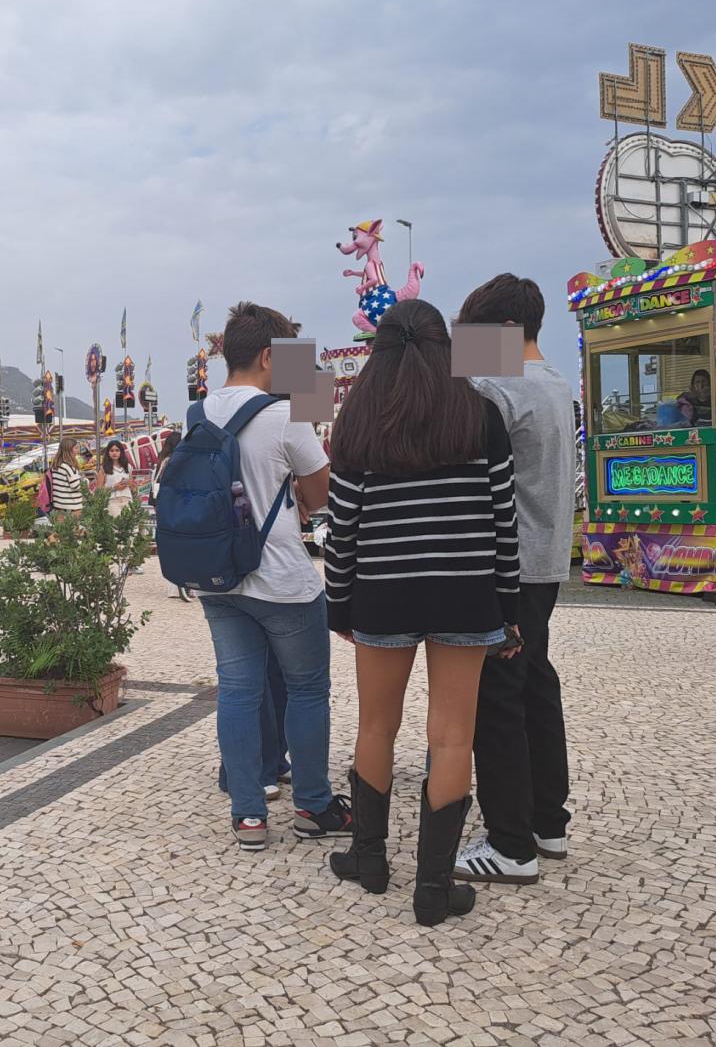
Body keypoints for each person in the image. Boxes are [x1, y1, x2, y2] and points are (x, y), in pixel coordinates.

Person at [324, 298, 521, 927]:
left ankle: (369, 860)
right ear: (447, 348)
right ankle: (434, 890)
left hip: (383, 593)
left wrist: (338, 603)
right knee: (451, 735)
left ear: (379, 353)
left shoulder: (358, 419)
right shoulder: (481, 415)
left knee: (376, 726)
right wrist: (509, 607)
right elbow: (502, 522)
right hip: (466, 591)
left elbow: (343, 527)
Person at [198, 301, 349, 854]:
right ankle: (313, 804)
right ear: (268, 356)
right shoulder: (285, 416)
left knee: (237, 692)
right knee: (307, 690)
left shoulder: (198, 413)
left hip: (220, 580)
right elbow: (320, 494)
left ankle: (249, 818)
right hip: (283, 579)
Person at [452, 274, 576, 886]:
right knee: (534, 686)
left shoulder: (496, 389)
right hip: (548, 563)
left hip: (506, 567)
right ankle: (548, 823)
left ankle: (509, 845)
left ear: (501, 334)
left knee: (496, 699)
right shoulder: (558, 385)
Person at [152, 432, 195, 602]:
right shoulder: (183, 460)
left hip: (167, 507)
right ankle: (190, 586)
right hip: (183, 505)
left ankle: (174, 586)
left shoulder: (163, 462)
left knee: (172, 546)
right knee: (189, 546)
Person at [95, 440, 136, 516]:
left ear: (121, 452)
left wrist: (131, 484)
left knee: (130, 527)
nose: (114, 453)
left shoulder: (128, 467)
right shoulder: (103, 468)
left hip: (128, 500)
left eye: (117, 450)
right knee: (116, 527)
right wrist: (114, 487)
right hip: (112, 502)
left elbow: (133, 488)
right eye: (111, 450)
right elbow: (98, 490)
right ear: (108, 453)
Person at [48, 438, 85, 516]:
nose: (78, 450)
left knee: (61, 528)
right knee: (74, 528)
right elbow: (76, 485)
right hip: (72, 506)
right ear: (69, 449)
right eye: (76, 448)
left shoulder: (56, 465)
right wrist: (85, 481)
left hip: (59, 505)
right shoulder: (69, 467)